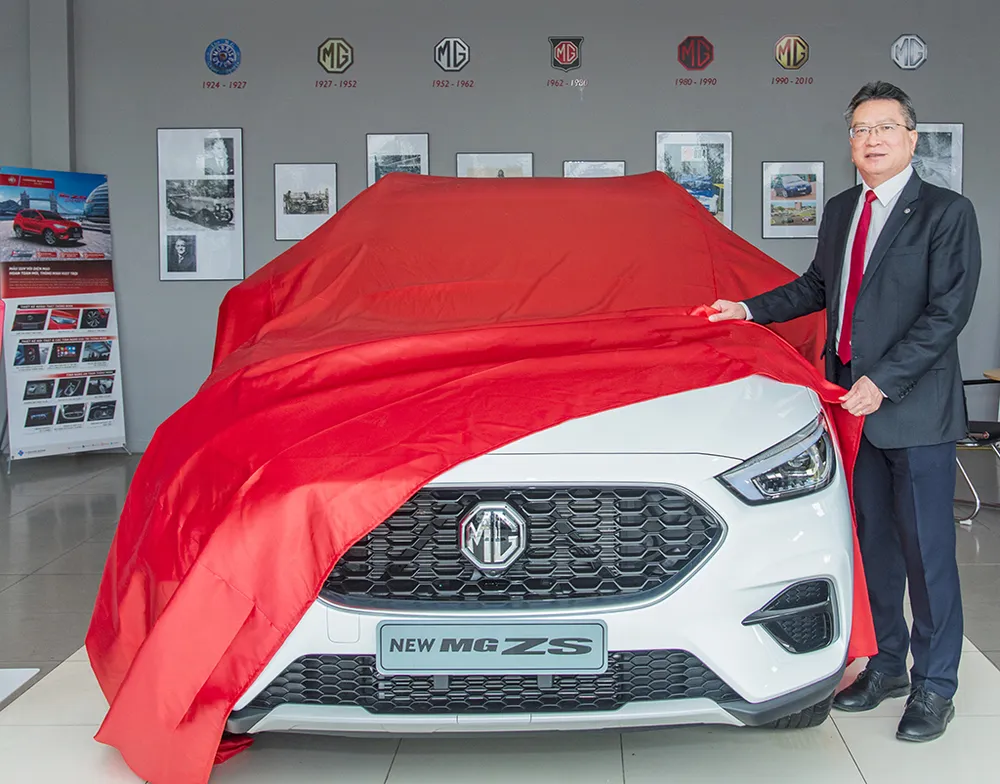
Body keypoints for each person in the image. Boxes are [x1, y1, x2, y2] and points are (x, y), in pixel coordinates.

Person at [708, 81, 981, 743]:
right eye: (861, 130)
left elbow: (946, 312)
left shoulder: (946, 212)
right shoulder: (840, 210)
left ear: (911, 138)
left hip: (913, 411)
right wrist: (746, 309)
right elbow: (817, 288)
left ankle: (936, 685)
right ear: (850, 142)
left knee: (928, 555)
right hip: (849, 412)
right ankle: (886, 665)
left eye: (885, 127)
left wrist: (882, 381)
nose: (872, 139)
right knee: (874, 546)